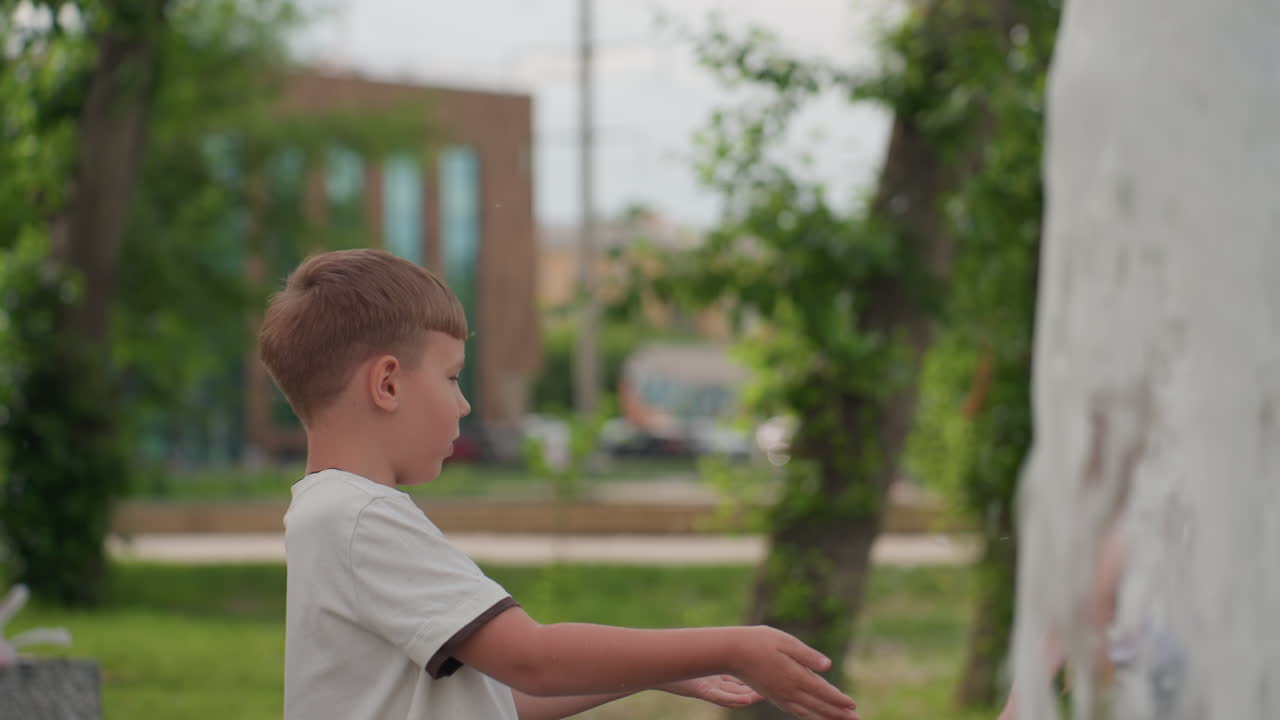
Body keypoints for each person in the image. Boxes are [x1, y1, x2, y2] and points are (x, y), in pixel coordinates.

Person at [260, 249, 861, 720]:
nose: (465, 405)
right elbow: (533, 659)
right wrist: (729, 645)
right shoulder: (359, 518)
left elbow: (502, 696)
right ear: (388, 384)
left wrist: (654, 670)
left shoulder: (333, 513)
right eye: (451, 378)